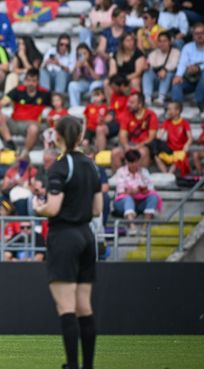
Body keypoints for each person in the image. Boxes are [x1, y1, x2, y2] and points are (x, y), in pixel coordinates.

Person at [32, 116, 100, 369]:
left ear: (57, 137)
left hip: (64, 236)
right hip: (86, 235)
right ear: (81, 136)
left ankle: (72, 364)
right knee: (85, 307)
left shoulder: (60, 166)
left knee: (66, 306)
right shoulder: (90, 165)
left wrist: (40, 208)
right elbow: (98, 208)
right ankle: (88, 365)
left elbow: (53, 207)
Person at [0, 69, 52, 155]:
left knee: (33, 129)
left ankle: (24, 153)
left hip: (32, 123)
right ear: (25, 80)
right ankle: (10, 143)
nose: (31, 83)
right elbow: (1, 103)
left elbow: (52, 109)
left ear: (38, 81)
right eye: (28, 80)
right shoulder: (18, 90)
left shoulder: (44, 93)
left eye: (33, 81)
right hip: (14, 122)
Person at [172, 23, 204, 113]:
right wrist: (178, 76)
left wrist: (198, 68)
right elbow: (182, 63)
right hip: (190, 77)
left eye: (202, 33)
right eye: (197, 33)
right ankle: (176, 109)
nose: (199, 36)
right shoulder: (187, 47)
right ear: (193, 36)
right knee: (176, 82)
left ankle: (198, 102)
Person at [112, 149, 160, 229]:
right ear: (126, 162)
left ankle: (146, 224)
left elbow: (150, 188)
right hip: (122, 203)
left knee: (153, 197)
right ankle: (131, 225)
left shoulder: (144, 172)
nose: (134, 165)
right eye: (131, 162)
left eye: (136, 162)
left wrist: (143, 190)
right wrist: (131, 192)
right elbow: (121, 192)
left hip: (140, 202)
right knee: (128, 199)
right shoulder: (121, 172)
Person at [111, 91, 158, 170]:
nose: (128, 104)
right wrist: (126, 147)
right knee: (115, 152)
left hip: (143, 145)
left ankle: (140, 179)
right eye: (129, 102)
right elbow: (122, 134)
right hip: (129, 144)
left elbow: (151, 137)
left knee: (143, 152)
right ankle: (118, 179)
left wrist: (137, 147)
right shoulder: (127, 114)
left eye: (132, 103)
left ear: (140, 104)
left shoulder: (151, 115)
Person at [142, 31, 179, 106]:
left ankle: (161, 98)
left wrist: (165, 70)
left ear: (169, 42)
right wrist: (146, 66)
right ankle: (147, 98)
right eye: (160, 41)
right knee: (147, 73)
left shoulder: (176, 52)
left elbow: (174, 65)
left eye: (165, 41)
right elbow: (150, 65)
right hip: (157, 79)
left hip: (170, 82)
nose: (162, 43)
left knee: (168, 73)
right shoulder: (154, 53)